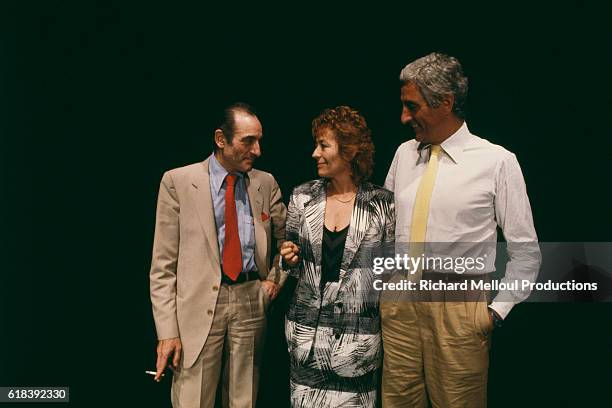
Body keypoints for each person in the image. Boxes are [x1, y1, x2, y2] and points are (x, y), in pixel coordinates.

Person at [382, 52, 541, 407]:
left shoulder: (496, 161)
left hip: (459, 307)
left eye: (412, 106)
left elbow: (526, 253)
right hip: (400, 303)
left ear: (445, 103)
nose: (403, 117)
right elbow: (385, 230)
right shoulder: (404, 155)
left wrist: (495, 312)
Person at [149, 102, 287, 408]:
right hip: (198, 305)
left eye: (259, 140)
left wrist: (273, 282)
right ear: (220, 139)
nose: (257, 150)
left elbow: (288, 240)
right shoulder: (179, 182)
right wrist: (168, 332)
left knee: (244, 398)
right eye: (248, 141)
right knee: (192, 399)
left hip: (251, 298)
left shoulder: (265, 183)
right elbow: (162, 267)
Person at [281, 106, 395, 407]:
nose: (314, 153)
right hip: (307, 341)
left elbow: (389, 274)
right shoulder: (302, 197)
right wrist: (288, 259)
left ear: (349, 150)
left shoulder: (382, 205)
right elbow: (290, 264)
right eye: (316, 144)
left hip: (355, 347)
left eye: (323, 145)